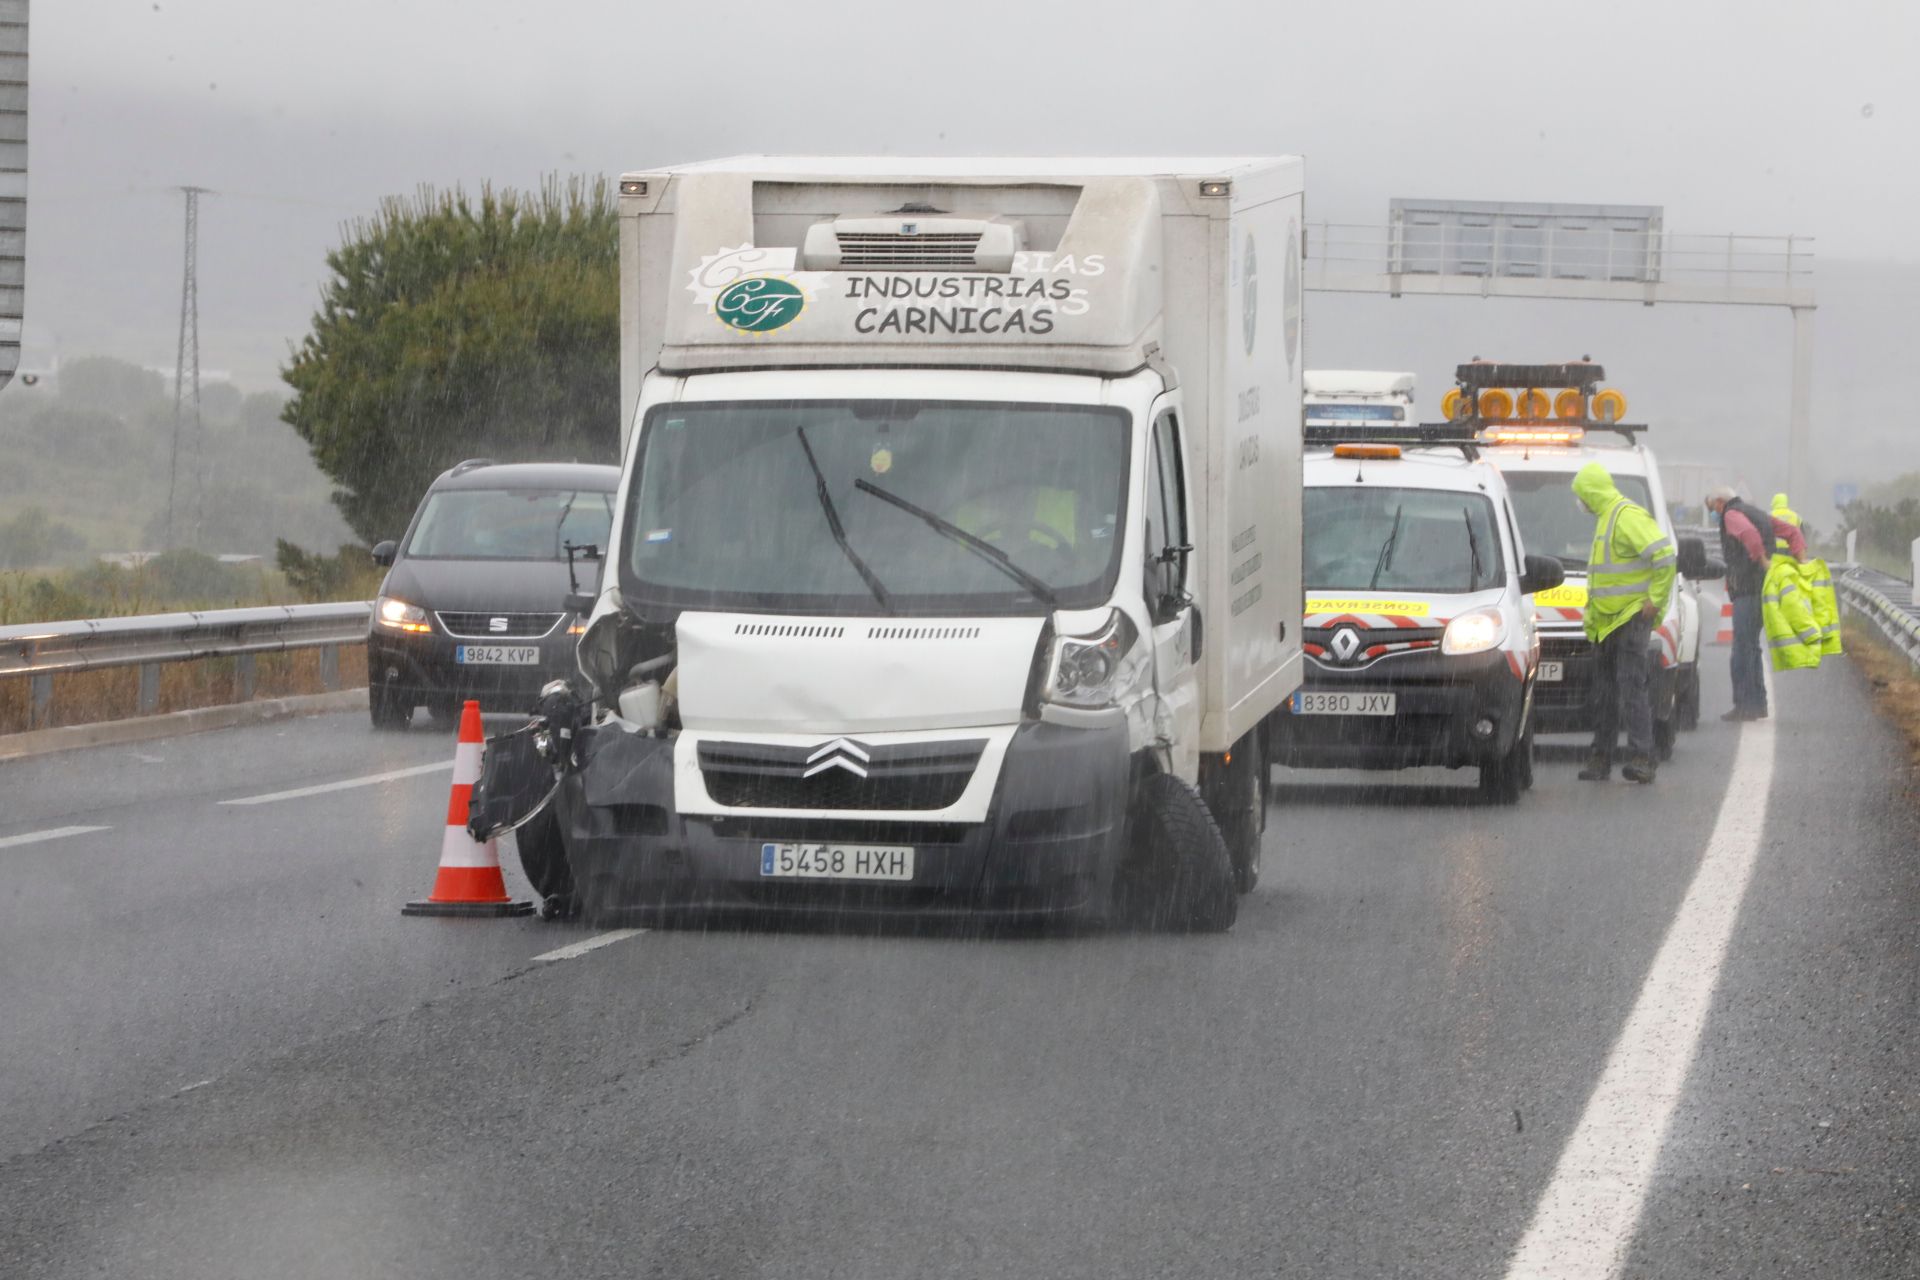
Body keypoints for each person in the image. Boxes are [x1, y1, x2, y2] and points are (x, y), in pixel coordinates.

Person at [1573, 463, 1676, 783]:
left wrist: (1655, 600)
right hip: (1608, 623)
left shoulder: (1625, 516)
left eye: (1580, 495)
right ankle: (1601, 758)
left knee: (1631, 689)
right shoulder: (1607, 518)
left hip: (1630, 618)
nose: (1579, 502)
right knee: (1604, 695)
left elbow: (1665, 556)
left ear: (1590, 492)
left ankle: (1643, 757)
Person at [1705, 485, 1809, 719]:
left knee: (1742, 648)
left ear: (1720, 502)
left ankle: (1745, 705)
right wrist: (1802, 562)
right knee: (1752, 645)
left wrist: (1761, 560)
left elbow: (1749, 535)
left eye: (1712, 508)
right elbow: (1793, 532)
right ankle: (1757, 703)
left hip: (1747, 588)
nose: (1714, 513)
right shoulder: (1758, 514)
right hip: (1764, 589)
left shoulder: (1731, 515)